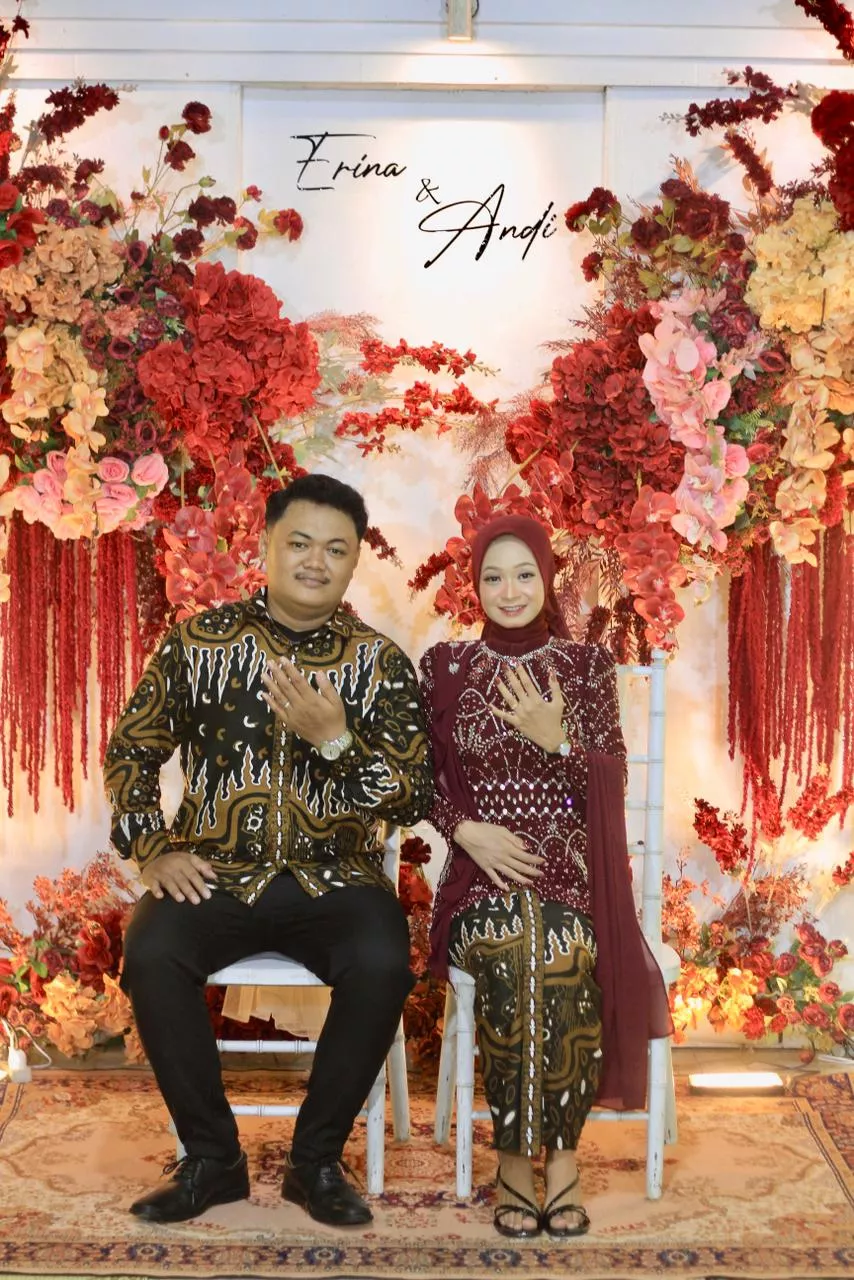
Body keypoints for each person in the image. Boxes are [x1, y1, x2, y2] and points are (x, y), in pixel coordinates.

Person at [106, 473, 432, 1228]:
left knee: (383, 960)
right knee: (152, 951)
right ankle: (212, 1159)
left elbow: (412, 797)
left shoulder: (379, 663)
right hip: (218, 872)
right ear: (265, 545)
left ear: (354, 562)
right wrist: (151, 848)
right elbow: (132, 750)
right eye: (301, 543)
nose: (317, 561)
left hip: (337, 879)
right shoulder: (198, 644)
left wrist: (337, 741)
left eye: (336, 550)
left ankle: (314, 1164)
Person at [419, 514, 671, 1239]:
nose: (509, 591)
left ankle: (560, 1162)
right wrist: (465, 830)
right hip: (479, 881)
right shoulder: (445, 667)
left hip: (570, 877)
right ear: (474, 586)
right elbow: (416, 778)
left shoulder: (585, 667)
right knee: (512, 944)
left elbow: (610, 784)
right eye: (493, 577)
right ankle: (513, 1165)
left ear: (547, 578)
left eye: (524, 574)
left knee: (555, 949)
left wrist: (556, 741)